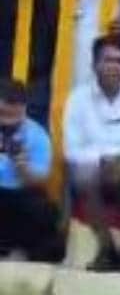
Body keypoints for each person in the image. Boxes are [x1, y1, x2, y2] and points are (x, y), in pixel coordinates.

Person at [62, 37, 120, 269]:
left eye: (119, 61)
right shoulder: (77, 99)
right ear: (95, 65)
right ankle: (107, 249)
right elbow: (72, 149)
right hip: (94, 168)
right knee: (85, 174)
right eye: (108, 60)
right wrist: (103, 161)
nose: (114, 66)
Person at [0, 76, 62, 263]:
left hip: (21, 194)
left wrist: (22, 166)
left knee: (45, 212)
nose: (7, 122)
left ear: (24, 108)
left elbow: (39, 181)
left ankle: (20, 251)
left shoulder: (37, 135)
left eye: (13, 116)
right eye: (2, 114)